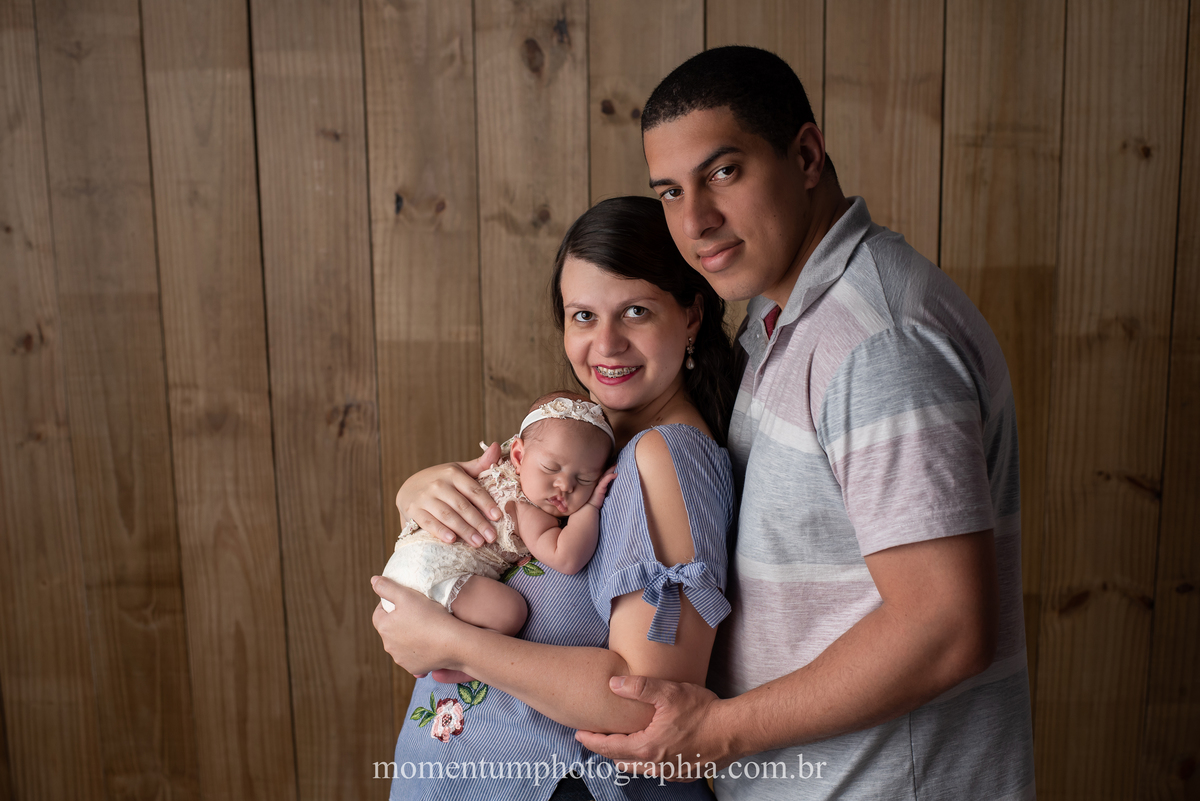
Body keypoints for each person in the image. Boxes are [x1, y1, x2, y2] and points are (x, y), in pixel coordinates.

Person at [566, 46, 1036, 800]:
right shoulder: (784, 318)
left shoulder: (878, 342)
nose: (696, 220)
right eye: (669, 191)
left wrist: (716, 730)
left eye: (724, 172)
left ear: (807, 155)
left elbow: (945, 626)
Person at [372, 196, 739, 800]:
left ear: (693, 313)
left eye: (637, 312)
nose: (607, 344)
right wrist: (417, 495)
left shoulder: (663, 458)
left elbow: (646, 704)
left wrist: (451, 641)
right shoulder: (592, 447)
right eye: (583, 316)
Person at [379, 391, 618, 683]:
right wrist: (591, 504)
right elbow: (566, 558)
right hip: (434, 575)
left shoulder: (497, 471)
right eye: (551, 468)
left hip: (401, 570)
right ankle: (460, 663)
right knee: (512, 612)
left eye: (584, 480)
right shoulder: (523, 507)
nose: (564, 485)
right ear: (518, 455)